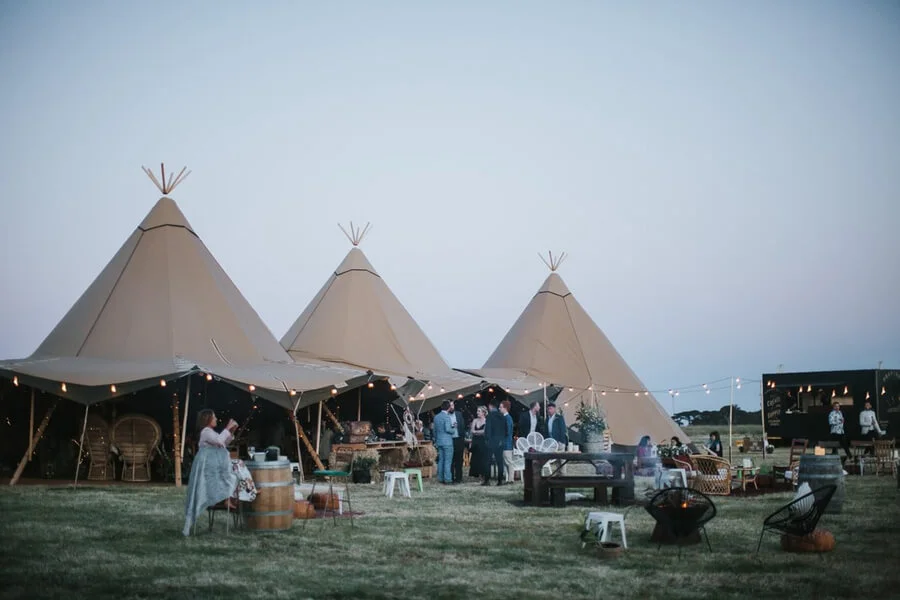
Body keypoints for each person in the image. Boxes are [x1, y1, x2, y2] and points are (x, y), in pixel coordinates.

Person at [182, 410, 239, 536]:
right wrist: (227, 427)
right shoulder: (206, 432)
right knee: (206, 486)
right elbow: (219, 440)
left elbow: (223, 443)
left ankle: (226, 498)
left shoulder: (211, 432)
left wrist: (231, 432)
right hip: (206, 466)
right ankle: (223, 499)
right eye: (214, 417)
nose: (216, 419)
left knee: (232, 478)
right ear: (207, 419)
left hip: (214, 466)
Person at [483, 400, 507, 486]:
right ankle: (500, 481)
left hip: (491, 441)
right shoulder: (502, 416)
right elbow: (506, 430)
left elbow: (488, 429)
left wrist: (487, 439)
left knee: (488, 461)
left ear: (490, 406)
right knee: (500, 461)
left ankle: (487, 480)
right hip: (500, 441)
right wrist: (502, 439)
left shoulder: (489, 416)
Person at [433, 401, 456, 484]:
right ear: (449, 408)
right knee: (448, 461)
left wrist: (436, 439)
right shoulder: (447, 417)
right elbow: (448, 429)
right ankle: (448, 479)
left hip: (439, 441)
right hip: (447, 442)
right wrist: (454, 429)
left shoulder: (436, 417)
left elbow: (434, 431)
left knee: (441, 460)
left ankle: (440, 478)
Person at [468, 406, 488, 478]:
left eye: (479, 411)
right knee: (475, 458)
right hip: (475, 441)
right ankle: (475, 473)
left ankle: (482, 473)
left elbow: (484, 432)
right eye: (477, 411)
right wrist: (477, 432)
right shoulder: (475, 420)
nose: (477, 412)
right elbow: (472, 431)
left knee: (482, 458)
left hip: (483, 441)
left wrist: (476, 432)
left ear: (483, 412)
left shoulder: (486, 421)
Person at [450, 401, 466, 484]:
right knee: (451, 460)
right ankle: (451, 477)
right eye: (450, 405)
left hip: (459, 439)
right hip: (450, 440)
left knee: (459, 460)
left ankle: (459, 477)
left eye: (452, 405)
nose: (451, 407)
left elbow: (463, 426)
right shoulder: (446, 415)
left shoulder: (458, 414)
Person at [501, 401, 516, 483]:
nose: (500, 409)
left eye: (501, 407)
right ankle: (509, 478)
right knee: (507, 462)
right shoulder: (505, 418)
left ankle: (511, 479)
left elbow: (508, 431)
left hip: (507, 443)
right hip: (505, 443)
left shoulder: (508, 418)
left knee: (509, 462)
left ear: (505, 408)